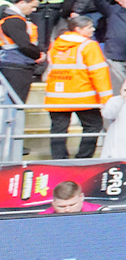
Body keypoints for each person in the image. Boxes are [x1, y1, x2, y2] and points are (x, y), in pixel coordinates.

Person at [42, 14, 112, 158]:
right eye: (89, 27)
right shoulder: (89, 46)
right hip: (83, 96)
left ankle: (59, 161)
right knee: (93, 126)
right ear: (78, 29)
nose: (93, 30)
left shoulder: (56, 45)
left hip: (57, 97)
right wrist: (106, 98)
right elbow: (99, 73)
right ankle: (83, 158)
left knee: (58, 130)